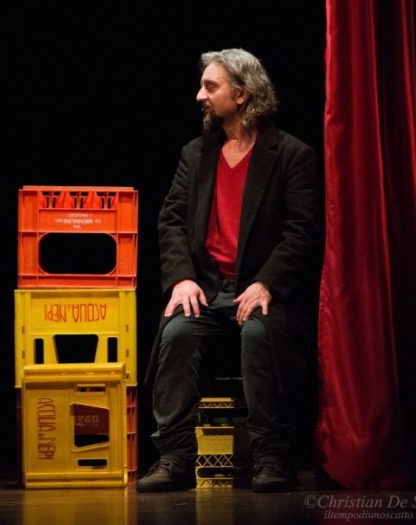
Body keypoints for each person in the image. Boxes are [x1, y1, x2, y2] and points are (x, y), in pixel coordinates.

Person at [137, 49, 323, 494]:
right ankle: (175, 457)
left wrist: (267, 283)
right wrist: (182, 278)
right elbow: (171, 220)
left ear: (241, 95)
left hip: (261, 289)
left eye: (210, 87)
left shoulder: (290, 154)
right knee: (176, 333)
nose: (199, 96)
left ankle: (272, 456)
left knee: (259, 335)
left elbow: (303, 230)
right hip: (206, 286)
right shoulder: (196, 154)